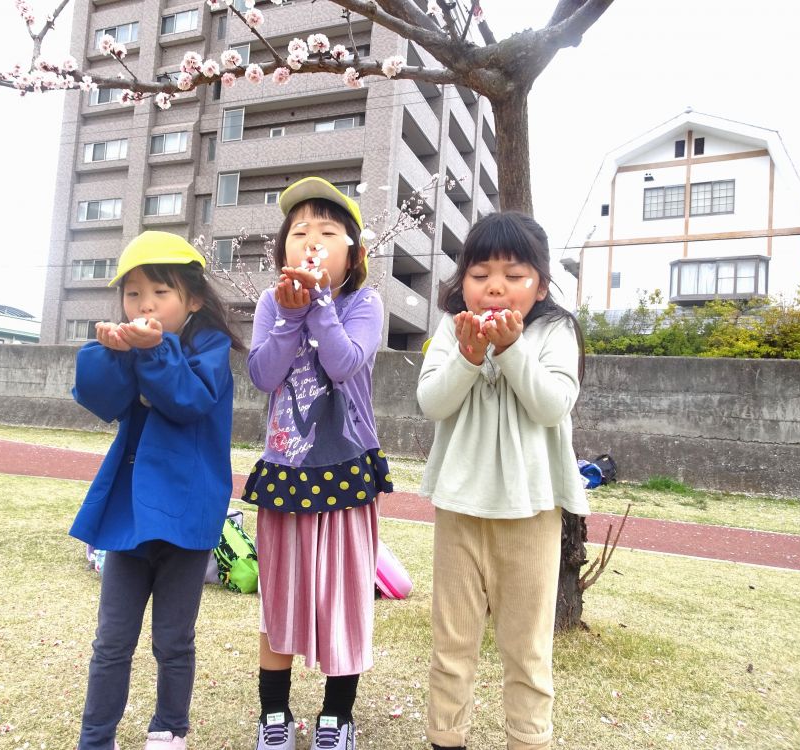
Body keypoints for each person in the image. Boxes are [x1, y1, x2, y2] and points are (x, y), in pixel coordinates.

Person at [417, 211, 589, 750]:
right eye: (480, 273)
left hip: (532, 510)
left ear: (539, 285)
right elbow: (432, 402)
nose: (496, 286)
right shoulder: (452, 328)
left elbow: (551, 405)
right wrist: (469, 357)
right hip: (460, 507)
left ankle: (529, 739)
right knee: (452, 643)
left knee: (527, 647)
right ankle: (447, 738)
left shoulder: (555, 331)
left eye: (514, 274)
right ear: (461, 282)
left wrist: (511, 350)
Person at [70, 231, 244, 750]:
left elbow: (188, 400)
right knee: (112, 641)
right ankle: (95, 737)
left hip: (186, 519)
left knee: (174, 639)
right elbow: (100, 398)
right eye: (133, 293)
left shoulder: (208, 347)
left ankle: (168, 730)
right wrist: (109, 351)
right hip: (130, 518)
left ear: (191, 299)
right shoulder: (129, 346)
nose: (144, 304)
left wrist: (154, 349)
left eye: (159, 293)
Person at [242, 177, 394, 750]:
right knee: (278, 598)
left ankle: (337, 719)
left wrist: (321, 309)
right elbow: (264, 375)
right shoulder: (268, 304)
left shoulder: (365, 302)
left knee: (344, 599)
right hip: (285, 469)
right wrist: (287, 316)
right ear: (283, 249)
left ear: (352, 253)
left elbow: (344, 365)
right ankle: (273, 717)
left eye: (328, 233)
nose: (311, 241)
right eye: (300, 231)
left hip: (347, 467)